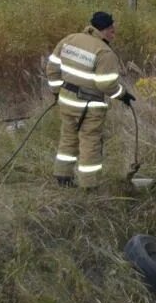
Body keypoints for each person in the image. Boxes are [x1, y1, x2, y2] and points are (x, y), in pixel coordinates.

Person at [45, 11, 132, 189]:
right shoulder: (104, 52)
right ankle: (89, 186)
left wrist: (56, 92)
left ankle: (63, 177)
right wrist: (122, 95)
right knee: (90, 143)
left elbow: (52, 68)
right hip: (89, 105)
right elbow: (106, 85)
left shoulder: (69, 39)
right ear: (104, 29)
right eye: (112, 30)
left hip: (66, 100)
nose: (114, 34)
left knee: (68, 137)